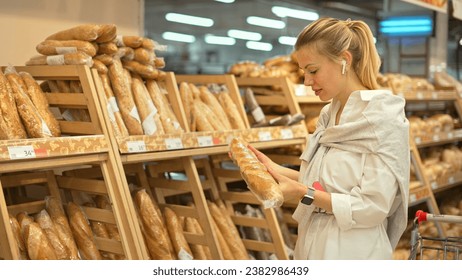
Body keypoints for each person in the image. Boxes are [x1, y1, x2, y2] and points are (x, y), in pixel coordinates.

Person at [249, 17, 410, 259]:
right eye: (304, 72)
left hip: (354, 253)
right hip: (312, 245)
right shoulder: (329, 114)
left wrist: (305, 194)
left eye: (313, 70)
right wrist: (274, 170)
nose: (307, 81)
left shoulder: (383, 119)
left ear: (345, 60)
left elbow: (372, 207)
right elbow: (319, 180)